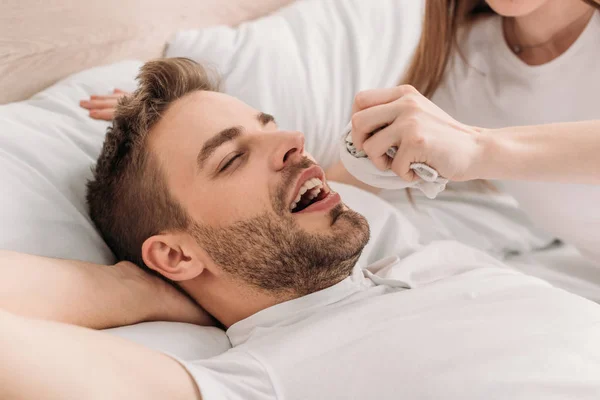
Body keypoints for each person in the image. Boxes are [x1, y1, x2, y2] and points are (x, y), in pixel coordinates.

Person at [3, 57, 600, 399]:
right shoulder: (259, 381)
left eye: (272, 126)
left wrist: (482, 149)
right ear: (175, 255)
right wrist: (139, 291)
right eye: (231, 158)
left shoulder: (415, 253)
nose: (293, 142)